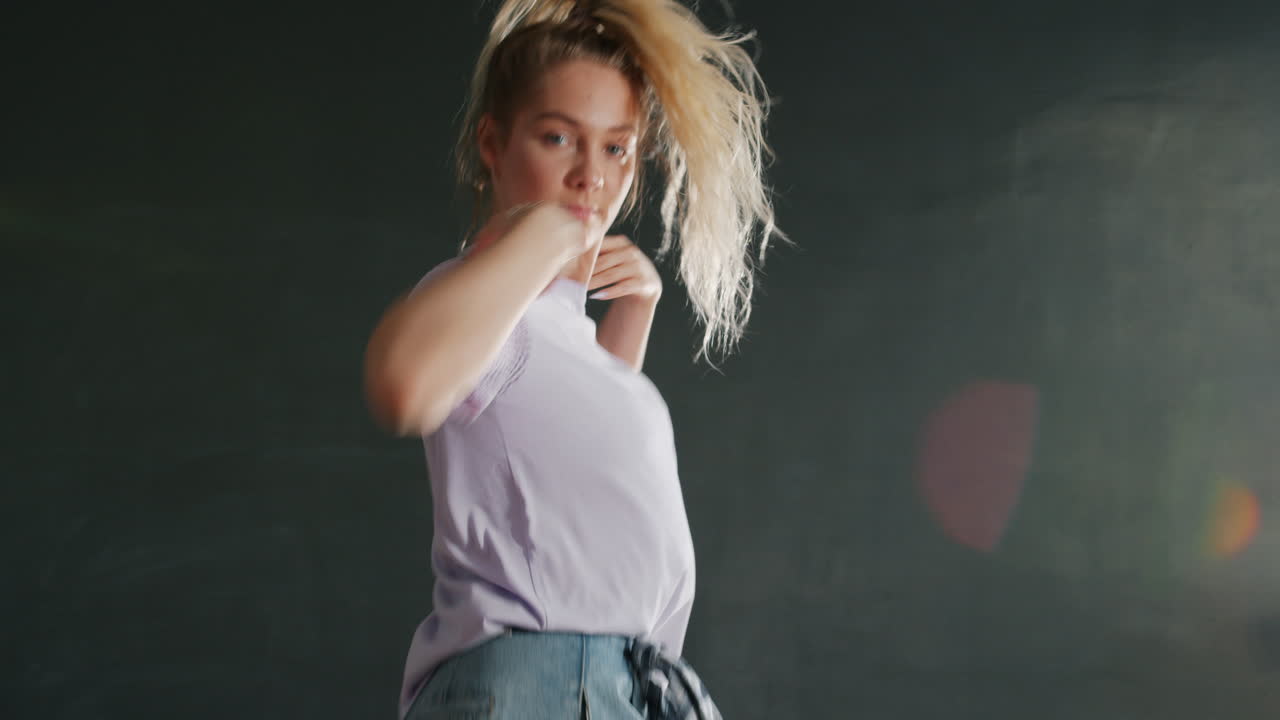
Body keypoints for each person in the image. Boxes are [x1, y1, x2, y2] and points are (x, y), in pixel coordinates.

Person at [362, 1, 781, 717]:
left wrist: (630, 309)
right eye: (559, 138)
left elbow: (581, 446)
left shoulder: (551, 331)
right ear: (494, 145)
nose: (592, 176)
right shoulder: (483, 302)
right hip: (545, 682)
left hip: (632, 684)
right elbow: (403, 384)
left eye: (617, 148)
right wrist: (543, 237)